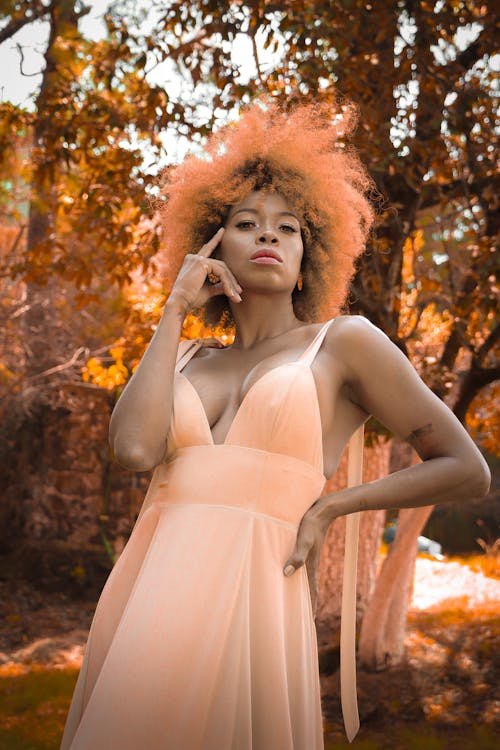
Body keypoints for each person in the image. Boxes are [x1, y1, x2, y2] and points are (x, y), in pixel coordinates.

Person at [60, 100, 490, 750]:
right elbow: (134, 447)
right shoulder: (182, 358)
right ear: (213, 243)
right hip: (151, 602)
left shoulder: (344, 344)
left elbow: (466, 468)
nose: (268, 237)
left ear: (309, 249)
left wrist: (331, 508)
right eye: (246, 223)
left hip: (255, 601)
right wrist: (175, 308)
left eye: (287, 228)